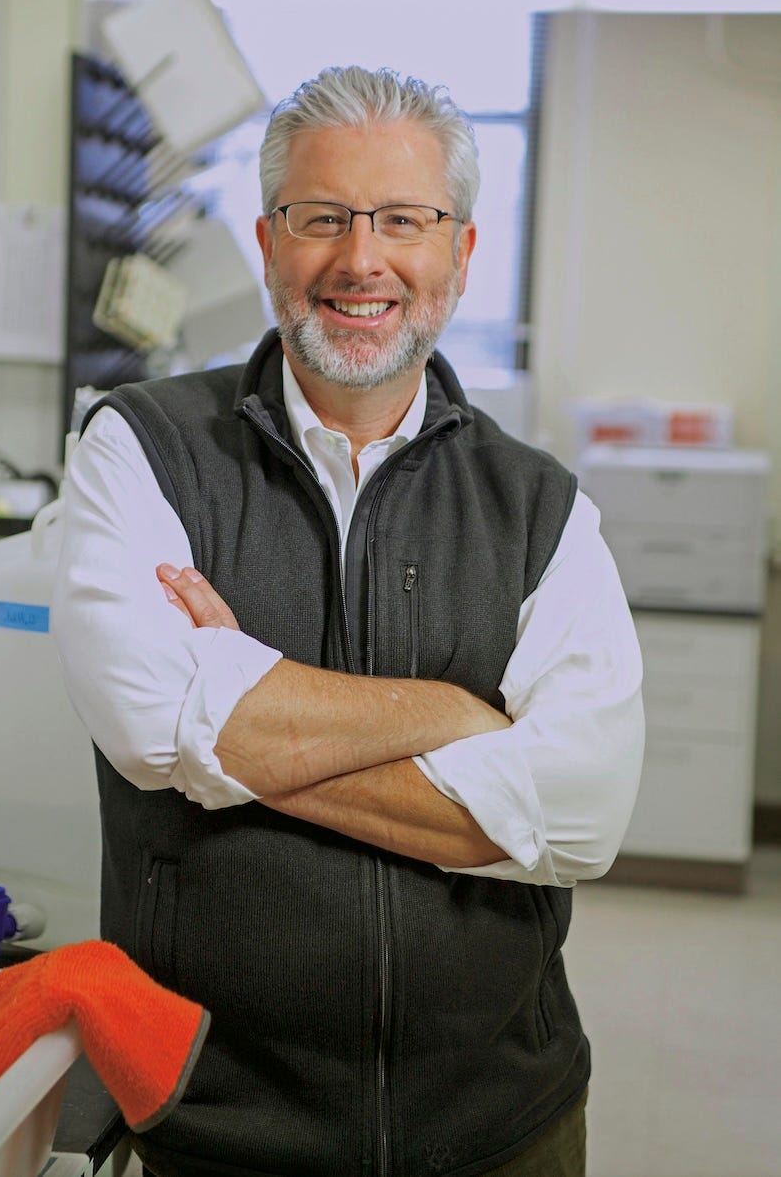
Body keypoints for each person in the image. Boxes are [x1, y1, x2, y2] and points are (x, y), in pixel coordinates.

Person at [52, 65, 645, 1177]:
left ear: (460, 255)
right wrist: (454, 716)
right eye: (323, 218)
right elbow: (149, 719)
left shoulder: (540, 506)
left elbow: (582, 811)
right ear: (272, 241)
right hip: (216, 1122)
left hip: (501, 1123)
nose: (361, 259)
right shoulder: (143, 447)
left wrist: (234, 704)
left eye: (403, 220)